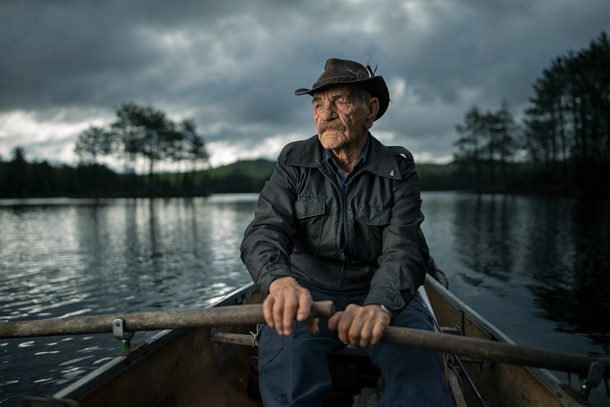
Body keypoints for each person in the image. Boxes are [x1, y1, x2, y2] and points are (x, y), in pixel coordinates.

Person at [240, 58, 454, 406]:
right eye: (317, 103)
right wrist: (279, 282)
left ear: (370, 111)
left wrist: (380, 305)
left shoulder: (398, 169)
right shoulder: (293, 162)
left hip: (378, 291)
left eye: (339, 100)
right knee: (287, 368)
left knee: (420, 372)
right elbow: (264, 231)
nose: (324, 114)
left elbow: (405, 250)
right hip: (306, 292)